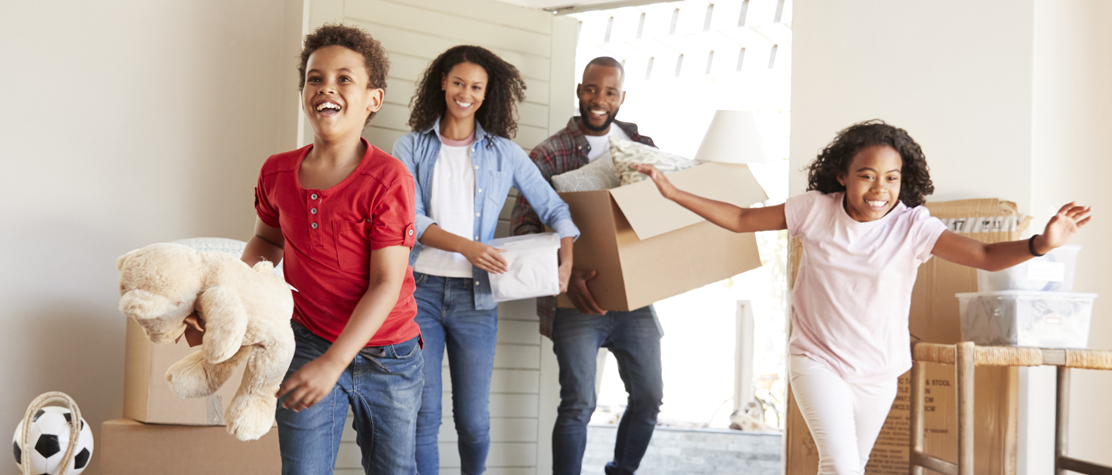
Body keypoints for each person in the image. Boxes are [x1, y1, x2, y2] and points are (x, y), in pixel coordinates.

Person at [633, 120, 1093, 475]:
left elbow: (987, 255)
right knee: (842, 467)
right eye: (867, 175)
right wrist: (673, 192)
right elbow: (738, 218)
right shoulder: (815, 209)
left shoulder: (913, 226)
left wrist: (1041, 244)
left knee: (840, 467)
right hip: (817, 359)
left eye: (892, 178)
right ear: (843, 176)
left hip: (879, 372)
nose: (880, 189)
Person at [241, 24, 422, 474]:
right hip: (308, 342)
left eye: (345, 78)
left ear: (372, 100)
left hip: (389, 357)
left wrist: (335, 363)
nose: (327, 87)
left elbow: (386, 282)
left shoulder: (389, 179)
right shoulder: (277, 172)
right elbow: (267, 240)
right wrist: (233, 298)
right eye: (315, 77)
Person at [392, 45, 580, 475]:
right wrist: (468, 247)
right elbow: (410, 217)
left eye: (476, 87)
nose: (466, 93)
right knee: (424, 415)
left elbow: (556, 211)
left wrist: (565, 258)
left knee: (473, 421)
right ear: (442, 82)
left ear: (487, 93)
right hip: (418, 293)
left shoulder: (505, 153)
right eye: (458, 82)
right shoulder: (411, 147)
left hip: (476, 299)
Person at [511, 56, 663, 475]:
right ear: (580, 90)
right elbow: (522, 225)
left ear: (621, 98)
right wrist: (564, 275)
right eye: (592, 90)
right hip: (576, 299)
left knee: (649, 395)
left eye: (609, 92)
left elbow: (660, 215)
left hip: (634, 298)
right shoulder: (548, 153)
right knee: (579, 402)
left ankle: (621, 470)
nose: (599, 100)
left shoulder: (643, 149)